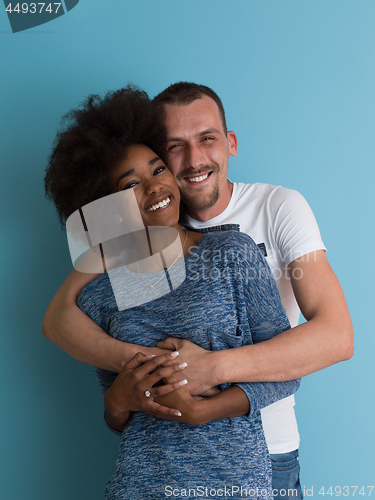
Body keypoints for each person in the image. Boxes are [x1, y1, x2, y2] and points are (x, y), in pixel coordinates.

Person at [43, 82, 353, 499]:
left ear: (230, 143)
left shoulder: (266, 218)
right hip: (142, 482)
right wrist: (125, 390)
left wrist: (208, 376)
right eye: (174, 147)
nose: (192, 160)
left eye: (207, 139)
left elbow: (335, 337)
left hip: (260, 457)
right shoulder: (115, 276)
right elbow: (111, 397)